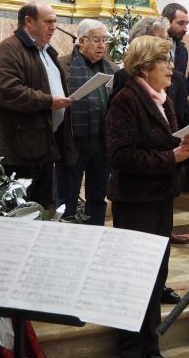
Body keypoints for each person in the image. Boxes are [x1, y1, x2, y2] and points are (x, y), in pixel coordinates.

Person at [105, 35, 189, 358]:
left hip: (160, 197)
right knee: (134, 277)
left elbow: (165, 146)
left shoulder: (162, 99)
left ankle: (150, 344)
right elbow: (121, 156)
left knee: (156, 276)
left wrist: (184, 149)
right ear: (144, 67)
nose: (171, 67)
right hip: (136, 202)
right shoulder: (126, 100)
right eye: (164, 60)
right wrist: (173, 157)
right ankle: (130, 348)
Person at [0, 1, 75, 210]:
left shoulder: (46, 51)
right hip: (18, 151)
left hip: (43, 146)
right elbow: (7, 90)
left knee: (38, 210)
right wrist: (49, 101)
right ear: (29, 22)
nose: (54, 27)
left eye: (55, 22)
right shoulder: (10, 48)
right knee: (17, 213)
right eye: (48, 22)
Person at [56, 19, 115, 225]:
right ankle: (66, 234)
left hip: (101, 141)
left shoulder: (111, 69)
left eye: (104, 40)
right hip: (72, 139)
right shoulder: (62, 65)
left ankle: (94, 232)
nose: (102, 45)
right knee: (68, 196)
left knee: (97, 195)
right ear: (81, 41)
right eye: (97, 40)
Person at [162, 2, 189, 76]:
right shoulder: (153, 47)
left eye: (186, 24)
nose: (185, 29)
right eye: (181, 23)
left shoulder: (183, 51)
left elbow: (181, 79)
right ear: (167, 22)